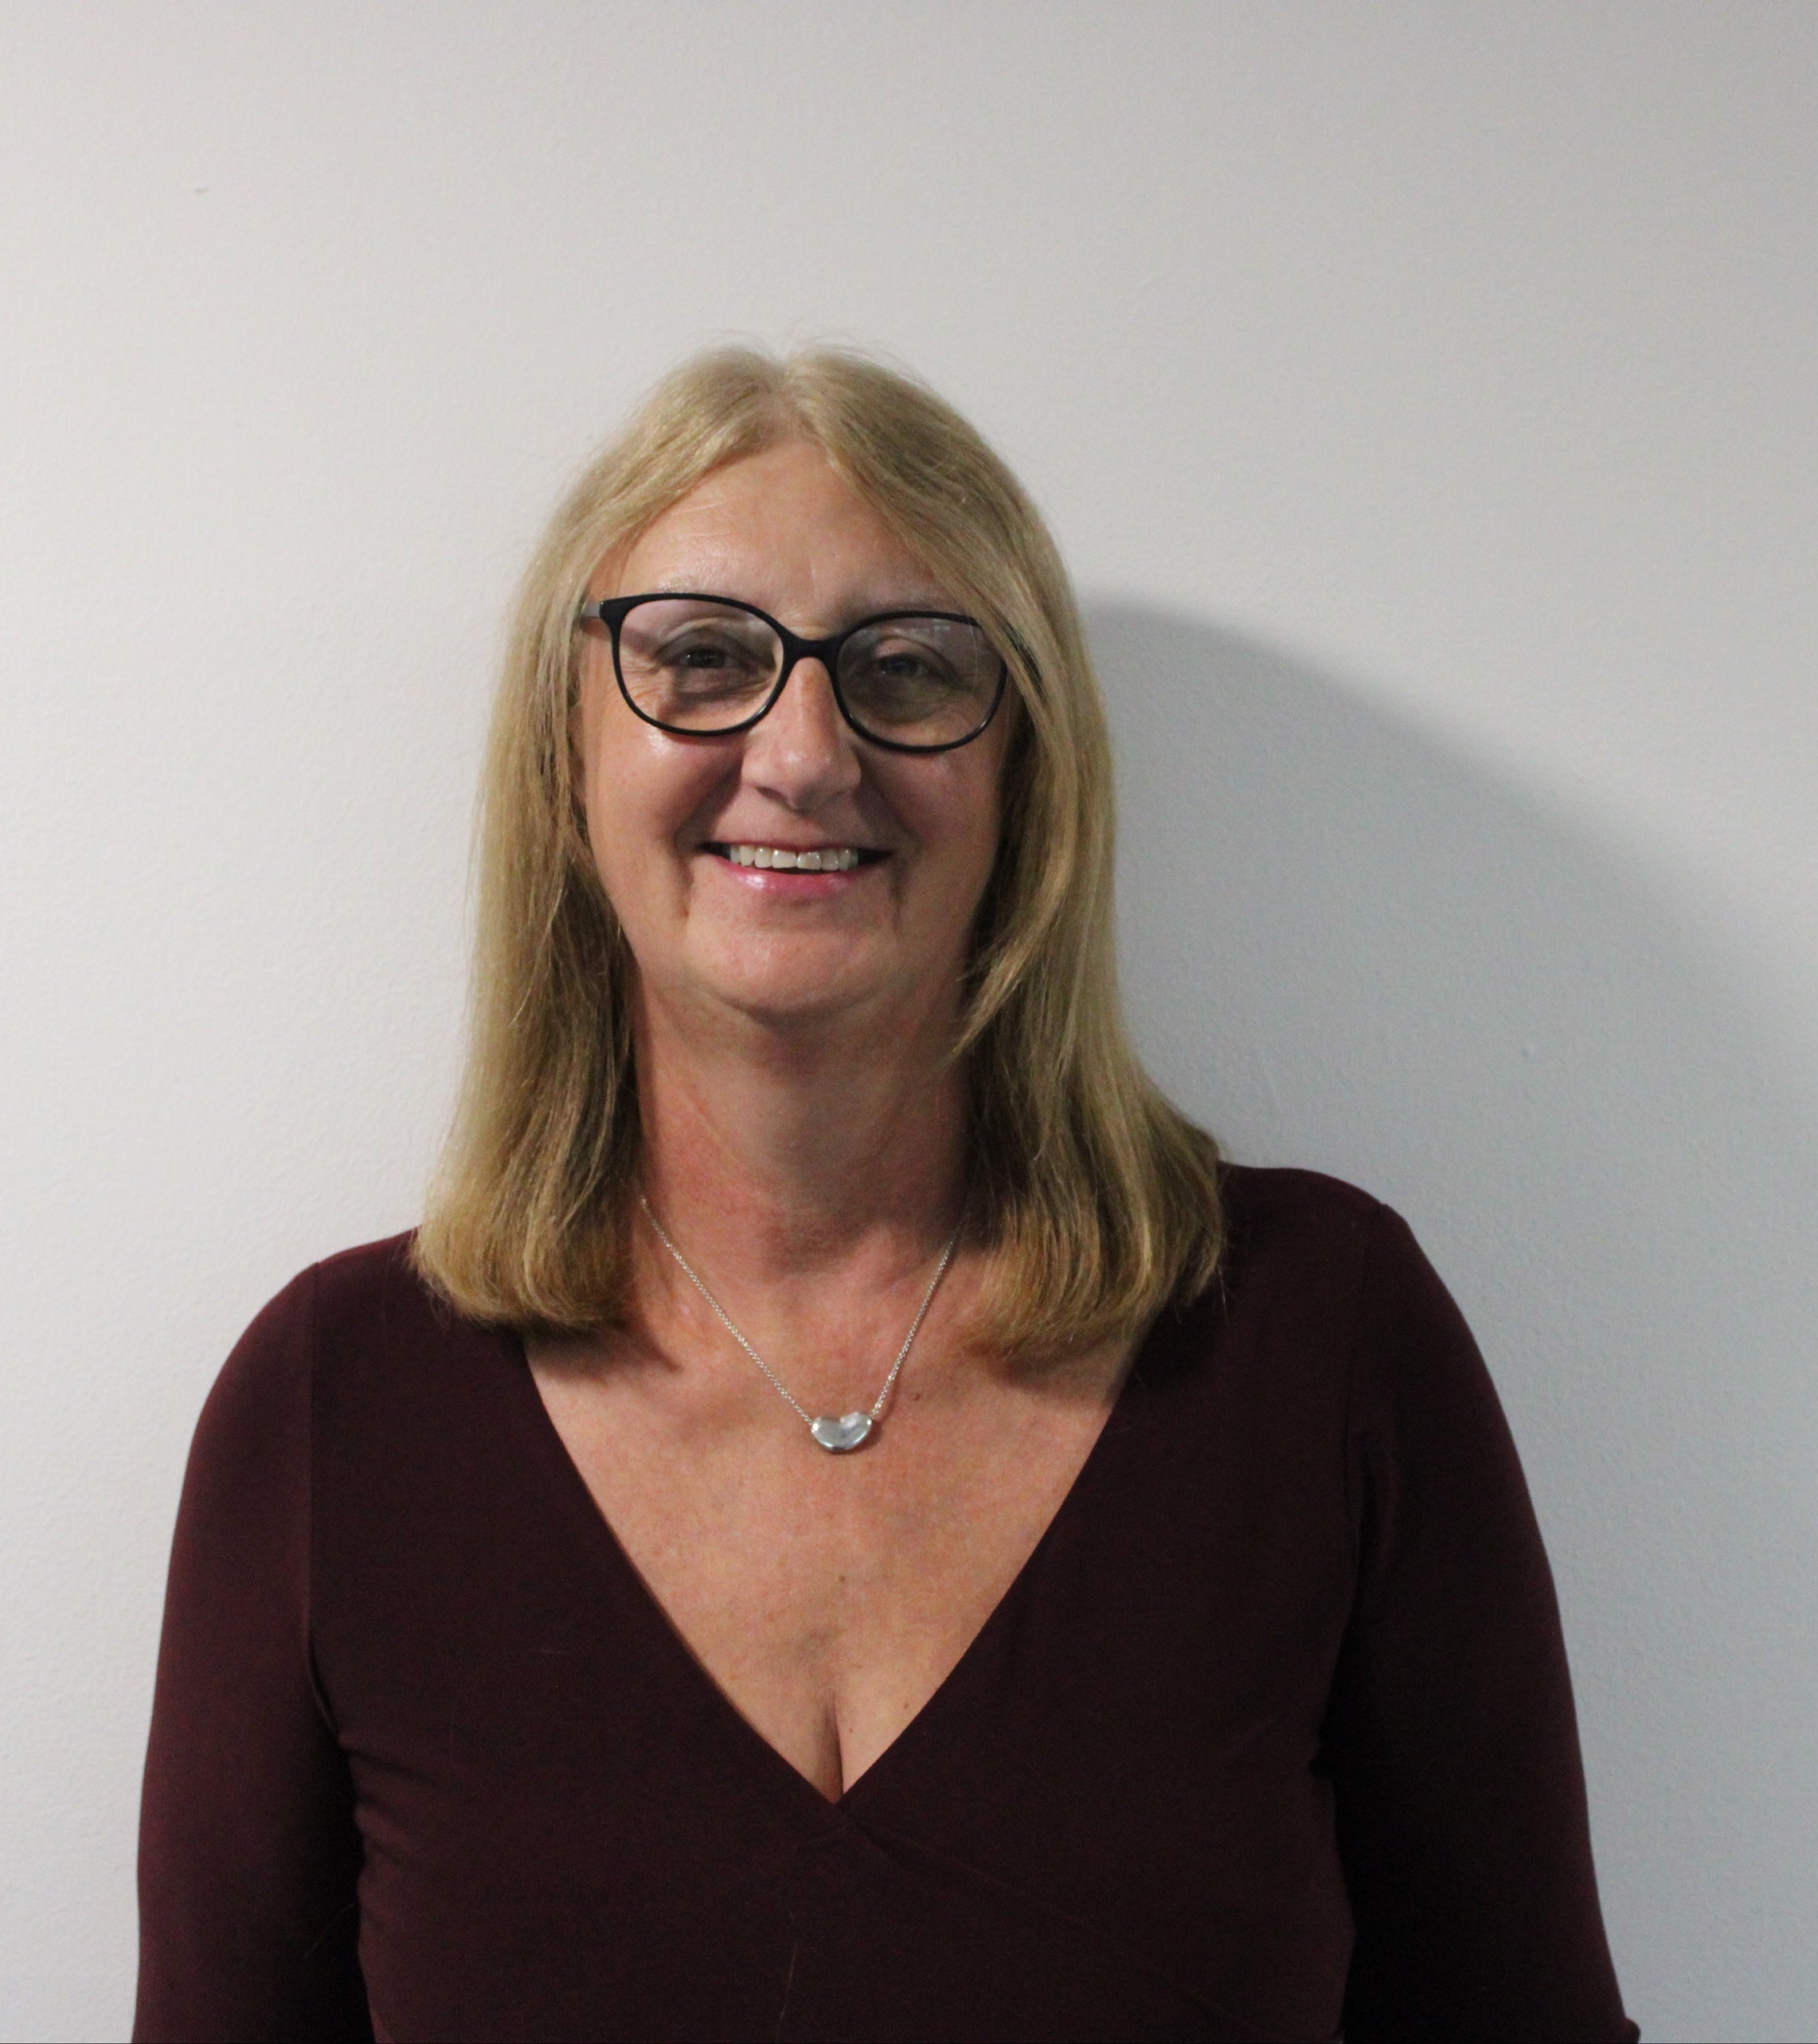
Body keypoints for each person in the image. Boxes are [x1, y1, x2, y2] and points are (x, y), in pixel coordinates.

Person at [133, 346, 1636, 2042]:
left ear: (1025, 784)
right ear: (565, 764)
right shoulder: (340, 1410)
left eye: (907, 671)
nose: (802, 751)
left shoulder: (1316, 1341)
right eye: (699, 657)